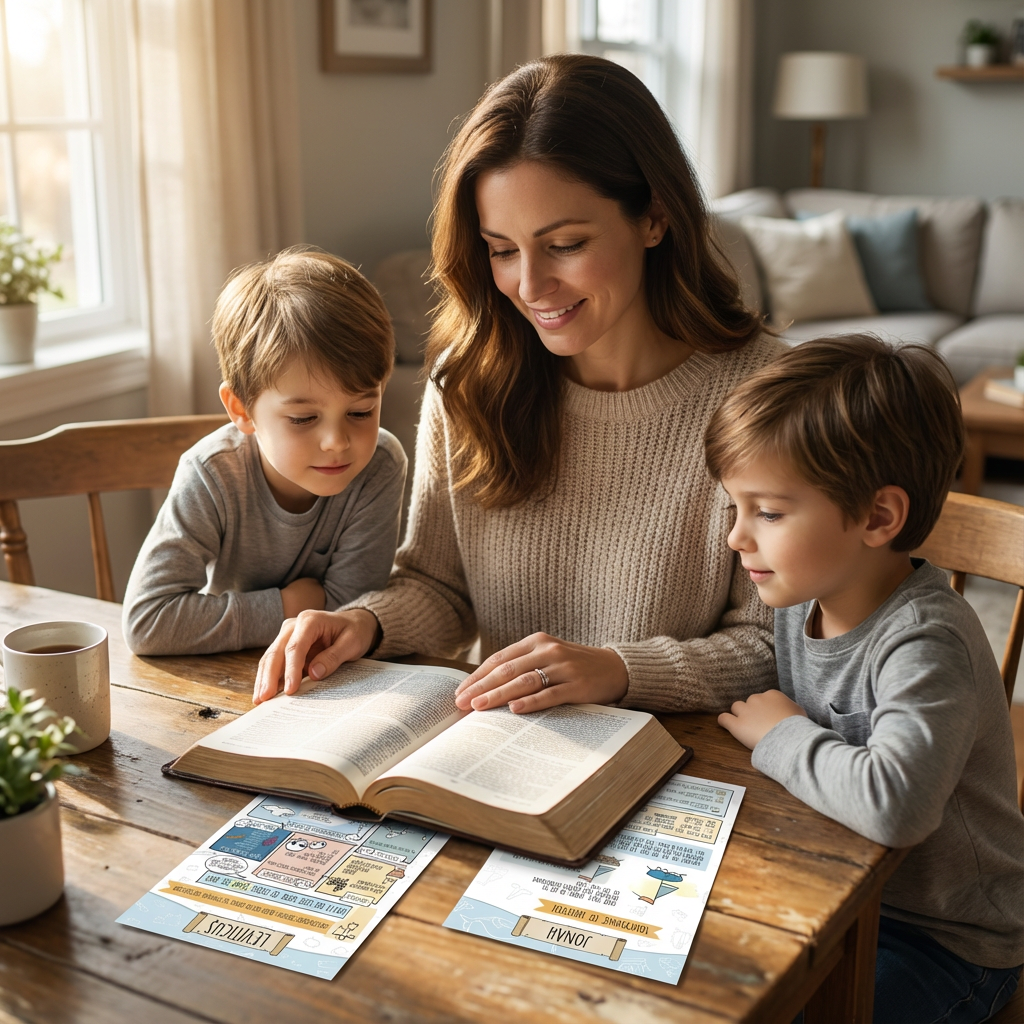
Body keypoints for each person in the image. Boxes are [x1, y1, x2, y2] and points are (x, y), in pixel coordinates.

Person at [253, 54, 784, 712]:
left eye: (564, 244)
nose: (530, 288)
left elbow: (773, 648)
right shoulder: (469, 382)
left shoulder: (772, 398)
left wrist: (617, 670)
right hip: (507, 759)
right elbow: (439, 589)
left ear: (654, 216)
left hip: (683, 764)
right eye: (502, 250)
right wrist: (366, 623)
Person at [707, 335, 1023, 1024]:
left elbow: (896, 805)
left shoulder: (926, 643)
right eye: (736, 507)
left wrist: (785, 735)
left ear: (879, 518)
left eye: (768, 511)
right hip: (839, 891)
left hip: (945, 939)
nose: (737, 537)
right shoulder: (802, 597)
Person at [122, 247, 406, 656]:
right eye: (304, 419)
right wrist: (292, 604)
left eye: (361, 411)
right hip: (223, 680)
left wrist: (321, 605)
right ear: (241, 410)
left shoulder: (379, 465)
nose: (337, 442)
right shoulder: (211, 474)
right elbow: (147, 621)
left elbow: (351, 611)